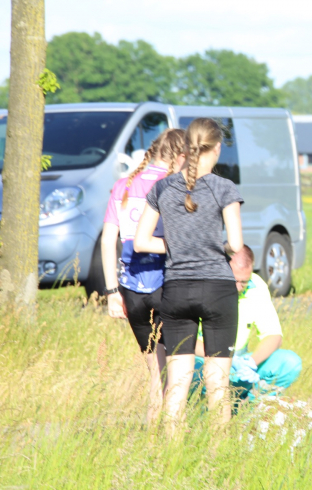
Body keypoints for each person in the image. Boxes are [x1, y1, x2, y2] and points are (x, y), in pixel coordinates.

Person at [135, 118, 244, 431]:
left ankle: (170, 456)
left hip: (176, 289)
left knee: (178, 382)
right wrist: (213, 245)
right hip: (217, 289)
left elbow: (141, 242)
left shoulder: (162, 188)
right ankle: (217, 453)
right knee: (217, 381)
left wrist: (178, 246)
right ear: (217, 148)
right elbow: (235, 245)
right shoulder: (225, 188)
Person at [101, 128, 187, 425]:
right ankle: (171, 442)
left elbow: (107, 240)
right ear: (180, 156)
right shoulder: (175, 185)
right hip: (166, 285)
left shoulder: (123, 185)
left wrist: (112, 292)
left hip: (130, 289)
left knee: (155, 375)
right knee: (175, 373)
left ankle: (150, 445)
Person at [193, 245, 302, 401]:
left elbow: (273, 336)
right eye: (233, 280)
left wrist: (251, 362)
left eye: (243, 282)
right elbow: (187, 340)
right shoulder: (202, 286)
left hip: (240, 361)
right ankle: (201, 407)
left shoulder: (257, 286)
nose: (238, 287)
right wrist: (223, 360)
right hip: (204, 359)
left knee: (290, 362)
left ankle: (250, 406)